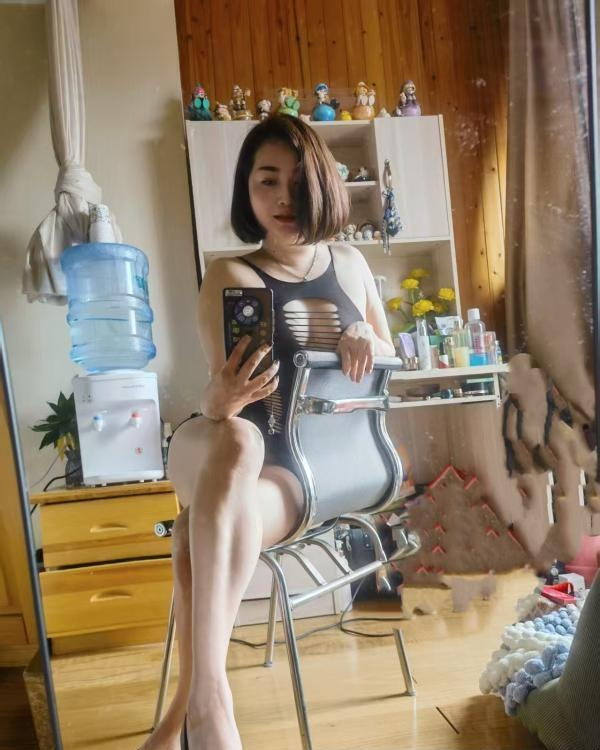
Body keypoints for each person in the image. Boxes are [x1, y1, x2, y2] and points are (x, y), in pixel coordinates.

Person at [142, 114, 395, 750]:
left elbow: (391, 360)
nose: (284, 198)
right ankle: (209, 709)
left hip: (318, 471)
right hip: (246, 455)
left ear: (325, 185)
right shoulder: (230, 276)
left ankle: (187, 716)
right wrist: (220, 399)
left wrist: (363, 333)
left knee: (196, 527)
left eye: (299, 181)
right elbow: (217, 397)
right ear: (247, 191)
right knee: (235, 437)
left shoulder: (351, 264)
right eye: (267, 180)